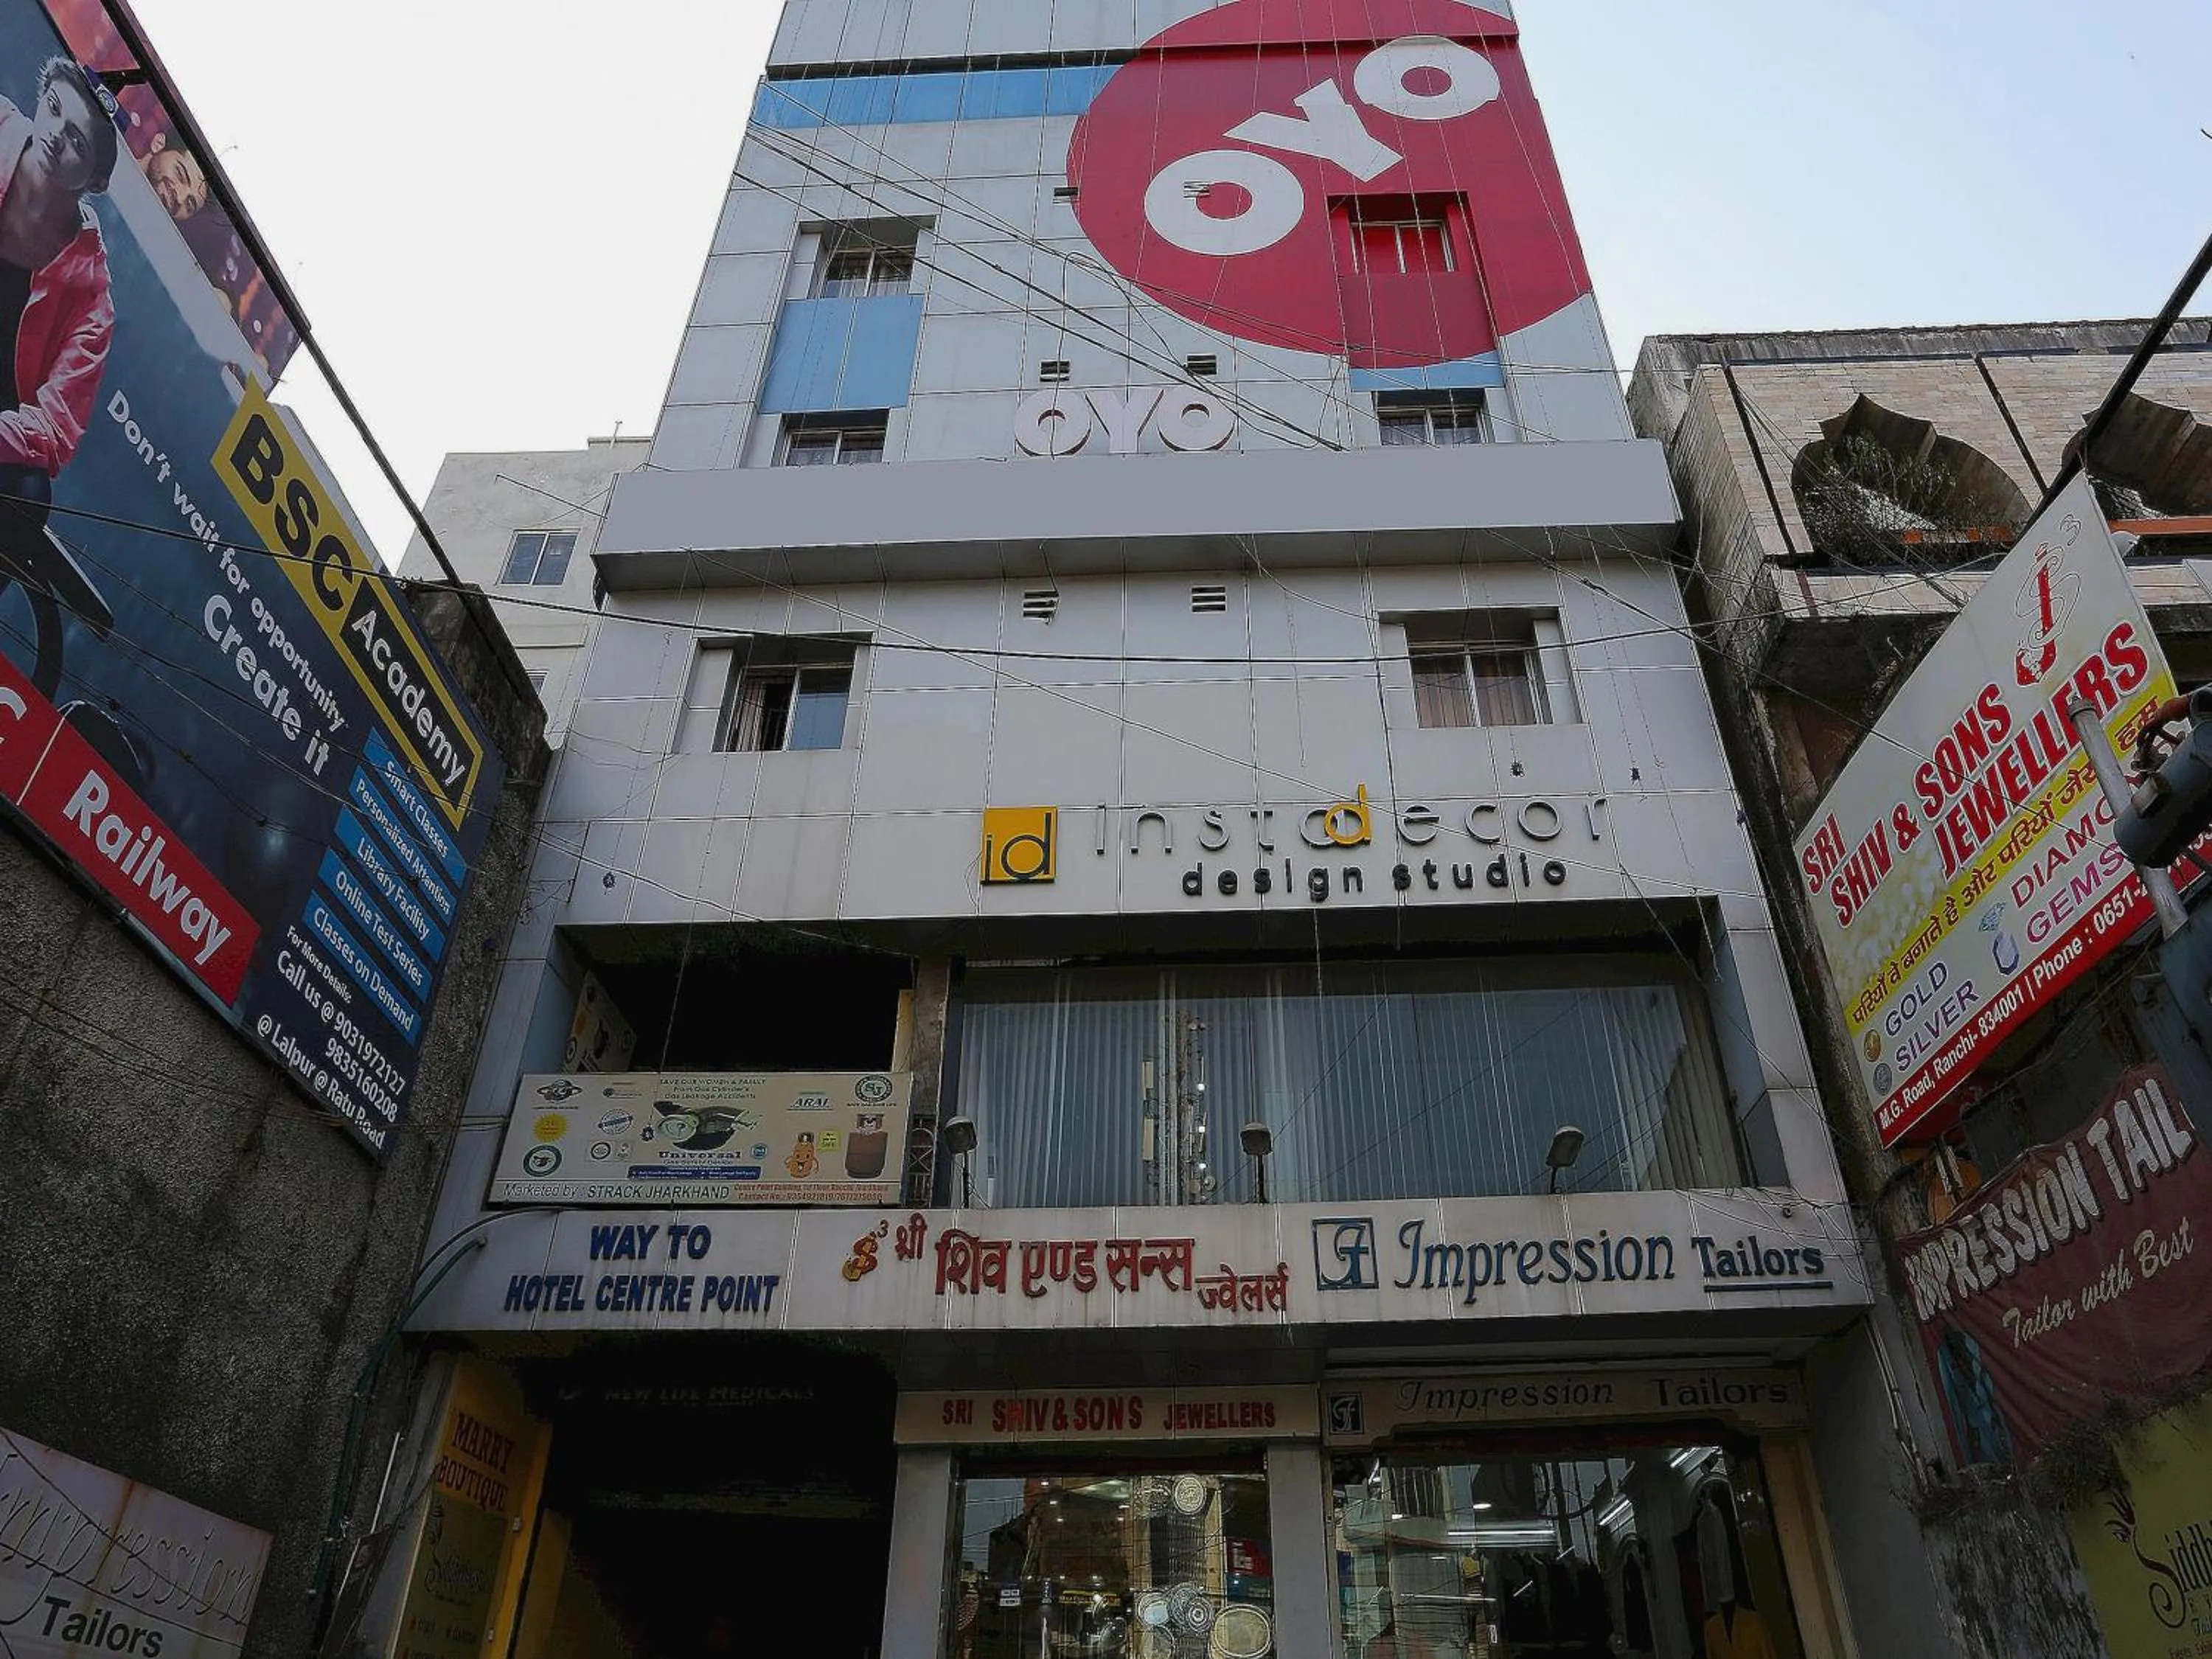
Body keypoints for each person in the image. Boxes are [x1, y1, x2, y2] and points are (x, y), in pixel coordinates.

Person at [0, 56, 115, 488]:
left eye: (77, 143)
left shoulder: (93, 299)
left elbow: (54, 429)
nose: (54, 137)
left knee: (31, 491)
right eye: (52, 108)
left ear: (97, 180)